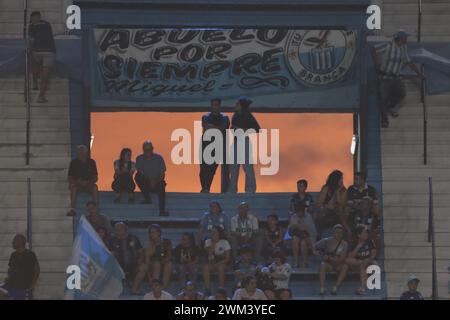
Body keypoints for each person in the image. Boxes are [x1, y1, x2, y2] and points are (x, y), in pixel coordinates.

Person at [371, 30, 426, 128]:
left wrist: (419, 73)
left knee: (402, 94)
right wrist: (377, 63)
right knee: (383, 98)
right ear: (400, 39)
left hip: (396, 77)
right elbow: (373, 49)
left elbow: (408, 62)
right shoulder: (388, 45)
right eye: (405, 38)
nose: (406, 40)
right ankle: (384, 119)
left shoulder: (403, 48)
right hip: (384, 77)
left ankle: (391, 107)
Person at [229, 96, 261, 193]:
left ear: (241, 106)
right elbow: (232, 128)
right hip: (236, 141)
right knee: (233, 167)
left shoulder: (248, 116)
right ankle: (233, 190)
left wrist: (243, 130)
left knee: (247, 167)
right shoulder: (235, 115)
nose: (235, 105)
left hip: (245, 142)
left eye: (237, 104)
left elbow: (257, 129)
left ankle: (250, 189)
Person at [199, 98, 231, 193]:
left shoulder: (225, 118)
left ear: (219, 106)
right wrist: (217, 128)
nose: (215, 107)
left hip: (218, 145)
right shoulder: (205, 116)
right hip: (205, 144)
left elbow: (223, 128)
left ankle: (206, 188)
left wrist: (211, 127)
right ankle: (205, 188)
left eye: (216, 105)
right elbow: (206, 126)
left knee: (212, 169)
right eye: (213, 105)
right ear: (211, 106)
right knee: (203, 168)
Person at [132, 224, 172, 293]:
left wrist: (165, 260)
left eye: (153, 232)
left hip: (163, 261)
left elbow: (169, 255)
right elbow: (147, 260)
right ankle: (154, 285)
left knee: (169, 264)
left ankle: (163, 287)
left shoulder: (167, 242)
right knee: (156, 264)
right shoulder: (149, 244)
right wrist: (149, 277)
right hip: (152, 263)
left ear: (159, 232)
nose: (151, 234)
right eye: (150, 232)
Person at [0, 235, 40, 300]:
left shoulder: (30, 254)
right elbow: (10, 268)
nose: (12, 242)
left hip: (22, 286)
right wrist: (8, 277)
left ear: (20, 242)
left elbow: (37, 270)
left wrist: (33, 284)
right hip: (11, 284)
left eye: (14, 241)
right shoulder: (13, 254)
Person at [28, 11, 55, 103]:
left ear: (39, 17)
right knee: (35, 68)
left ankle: (41, 96)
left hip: (49, 51)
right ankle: (35, 83)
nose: (35, 19)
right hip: (37, 51)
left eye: (36, 17)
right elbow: (31, 39)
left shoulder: (46, 24)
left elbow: (49, 36)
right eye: (33, 18)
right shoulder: (31, 26)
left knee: (45, 76)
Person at [135, 141, 168, 216]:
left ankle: (162, 211)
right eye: (146, 149)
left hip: (158, 182)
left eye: (149, 149)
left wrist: (155, 181)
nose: (148, 151)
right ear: (143, 149)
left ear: (152, 149)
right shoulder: (139, 158)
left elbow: (162, 174)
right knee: (138, 176)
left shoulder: (159, 158)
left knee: (162, 185)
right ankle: (147, 198)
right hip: (146, 182)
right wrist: (150, 181)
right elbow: (140, 172)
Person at [315, 224, 349, 295]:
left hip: (338, 265)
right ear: (333, 232)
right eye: (337, 232)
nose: (339, 234)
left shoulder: (345, 244)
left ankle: (335, 287)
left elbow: (341, 259)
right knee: (322, 265)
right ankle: (322, 288)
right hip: (328, 264)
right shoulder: (326, 241)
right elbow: (314, 247)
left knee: (345, 266)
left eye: (340, 233)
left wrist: (329, 258)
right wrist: (321, 254)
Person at [345, 172, 380, 238]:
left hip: (368, 209)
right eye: (354, 179)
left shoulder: (371, 189)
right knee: (347, 209)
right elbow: (349, 202)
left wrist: (360, 202)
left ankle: (377, 225)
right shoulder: (351, 188)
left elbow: (375, 202)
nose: (354, 181)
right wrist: (362, 203)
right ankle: (349, 230)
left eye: (357, 179)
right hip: (355, 209)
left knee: (376, 208)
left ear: (363, 180)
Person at [343, 226, 377, 295]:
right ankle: (363, 286)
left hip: (368, 263)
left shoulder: (370, 241)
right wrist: (358, 245)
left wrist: (367, 260)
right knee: (347, 260)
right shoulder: (354, 243)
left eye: (367, 233)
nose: (366, 234)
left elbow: (373, 254)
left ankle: (362, 287)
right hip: (357, 263)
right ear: (359, 235)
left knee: (364, 265)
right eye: (364, 233)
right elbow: (350, 257)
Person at [67, 145, 99, 216]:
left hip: (89, 184)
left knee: (95, 188)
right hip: (77, 184)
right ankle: (72, 209)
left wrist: (89, 182)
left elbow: (95, 177)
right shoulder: (73, 162)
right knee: (73, 188)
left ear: (86, 153)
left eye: (82, 152)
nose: (80, 154)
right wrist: (77, 182)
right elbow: (69, 177)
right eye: (79, 152)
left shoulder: (92, 162)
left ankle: (95, 209)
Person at [316, 170, 347, 237]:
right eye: (340, 178)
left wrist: (338, 192)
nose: (342, 180)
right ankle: (318, 237)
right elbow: (319, 203)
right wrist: (327, 206)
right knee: (320, 216)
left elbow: (342, 204)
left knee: (341, 214)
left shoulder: (343, 190)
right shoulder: (326, 188)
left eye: (342, 178)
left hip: (337, 212)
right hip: (326, 210)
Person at [286, 203, 317, 268]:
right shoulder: (293, 217)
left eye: (300, 212)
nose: (299, 214)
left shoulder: (308, 217)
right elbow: (289, 233)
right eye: (297, 212)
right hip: (297, 236)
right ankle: (296, 261)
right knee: (294, 239)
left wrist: (304, 228)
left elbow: (313, 232)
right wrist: (294, 226)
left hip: (308, 237)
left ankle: (305, 262)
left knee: (303, 243)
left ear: (303, 211)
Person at [202, 226, 231, 294]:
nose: (212, 233)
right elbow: (209, 253)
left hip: (223, 263)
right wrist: (214, 243)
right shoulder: (207, 241)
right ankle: (207, 288)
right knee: (206, 267)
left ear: (219, 233)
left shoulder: (225, 242)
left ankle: (221, 288)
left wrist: (218, 264)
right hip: (211, 262)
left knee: (220, 267)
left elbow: (227, 258)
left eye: (214, 232)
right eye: (211, 232)